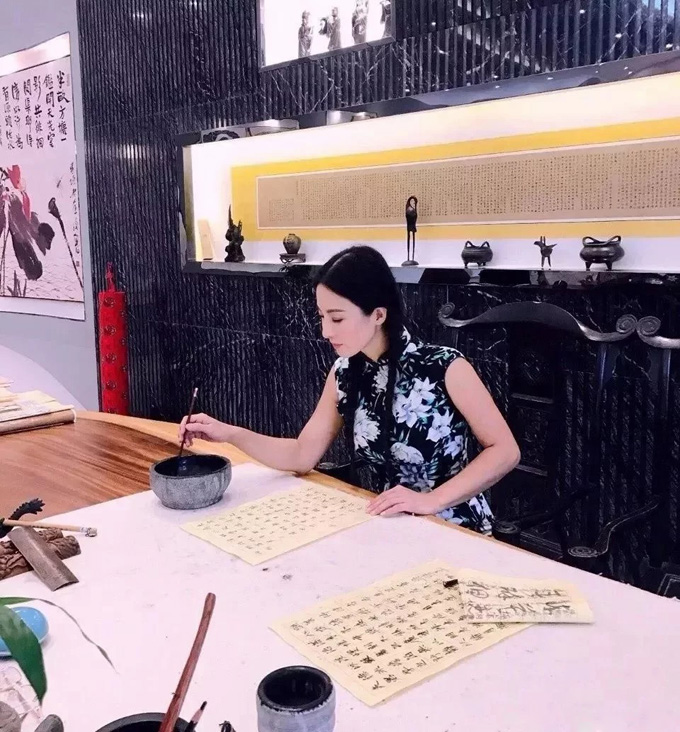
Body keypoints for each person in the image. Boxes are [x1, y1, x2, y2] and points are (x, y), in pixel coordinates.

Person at [179, 246, 520, 533]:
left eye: (337, 318)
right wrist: (229, 433)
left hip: (455, 527)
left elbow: (505, 451)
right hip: (390, 525)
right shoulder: (345, 372)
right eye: (321, 317)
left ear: (378, 315)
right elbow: (302, 455)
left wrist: (431, 500)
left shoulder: (444, 366)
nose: (325, 331)